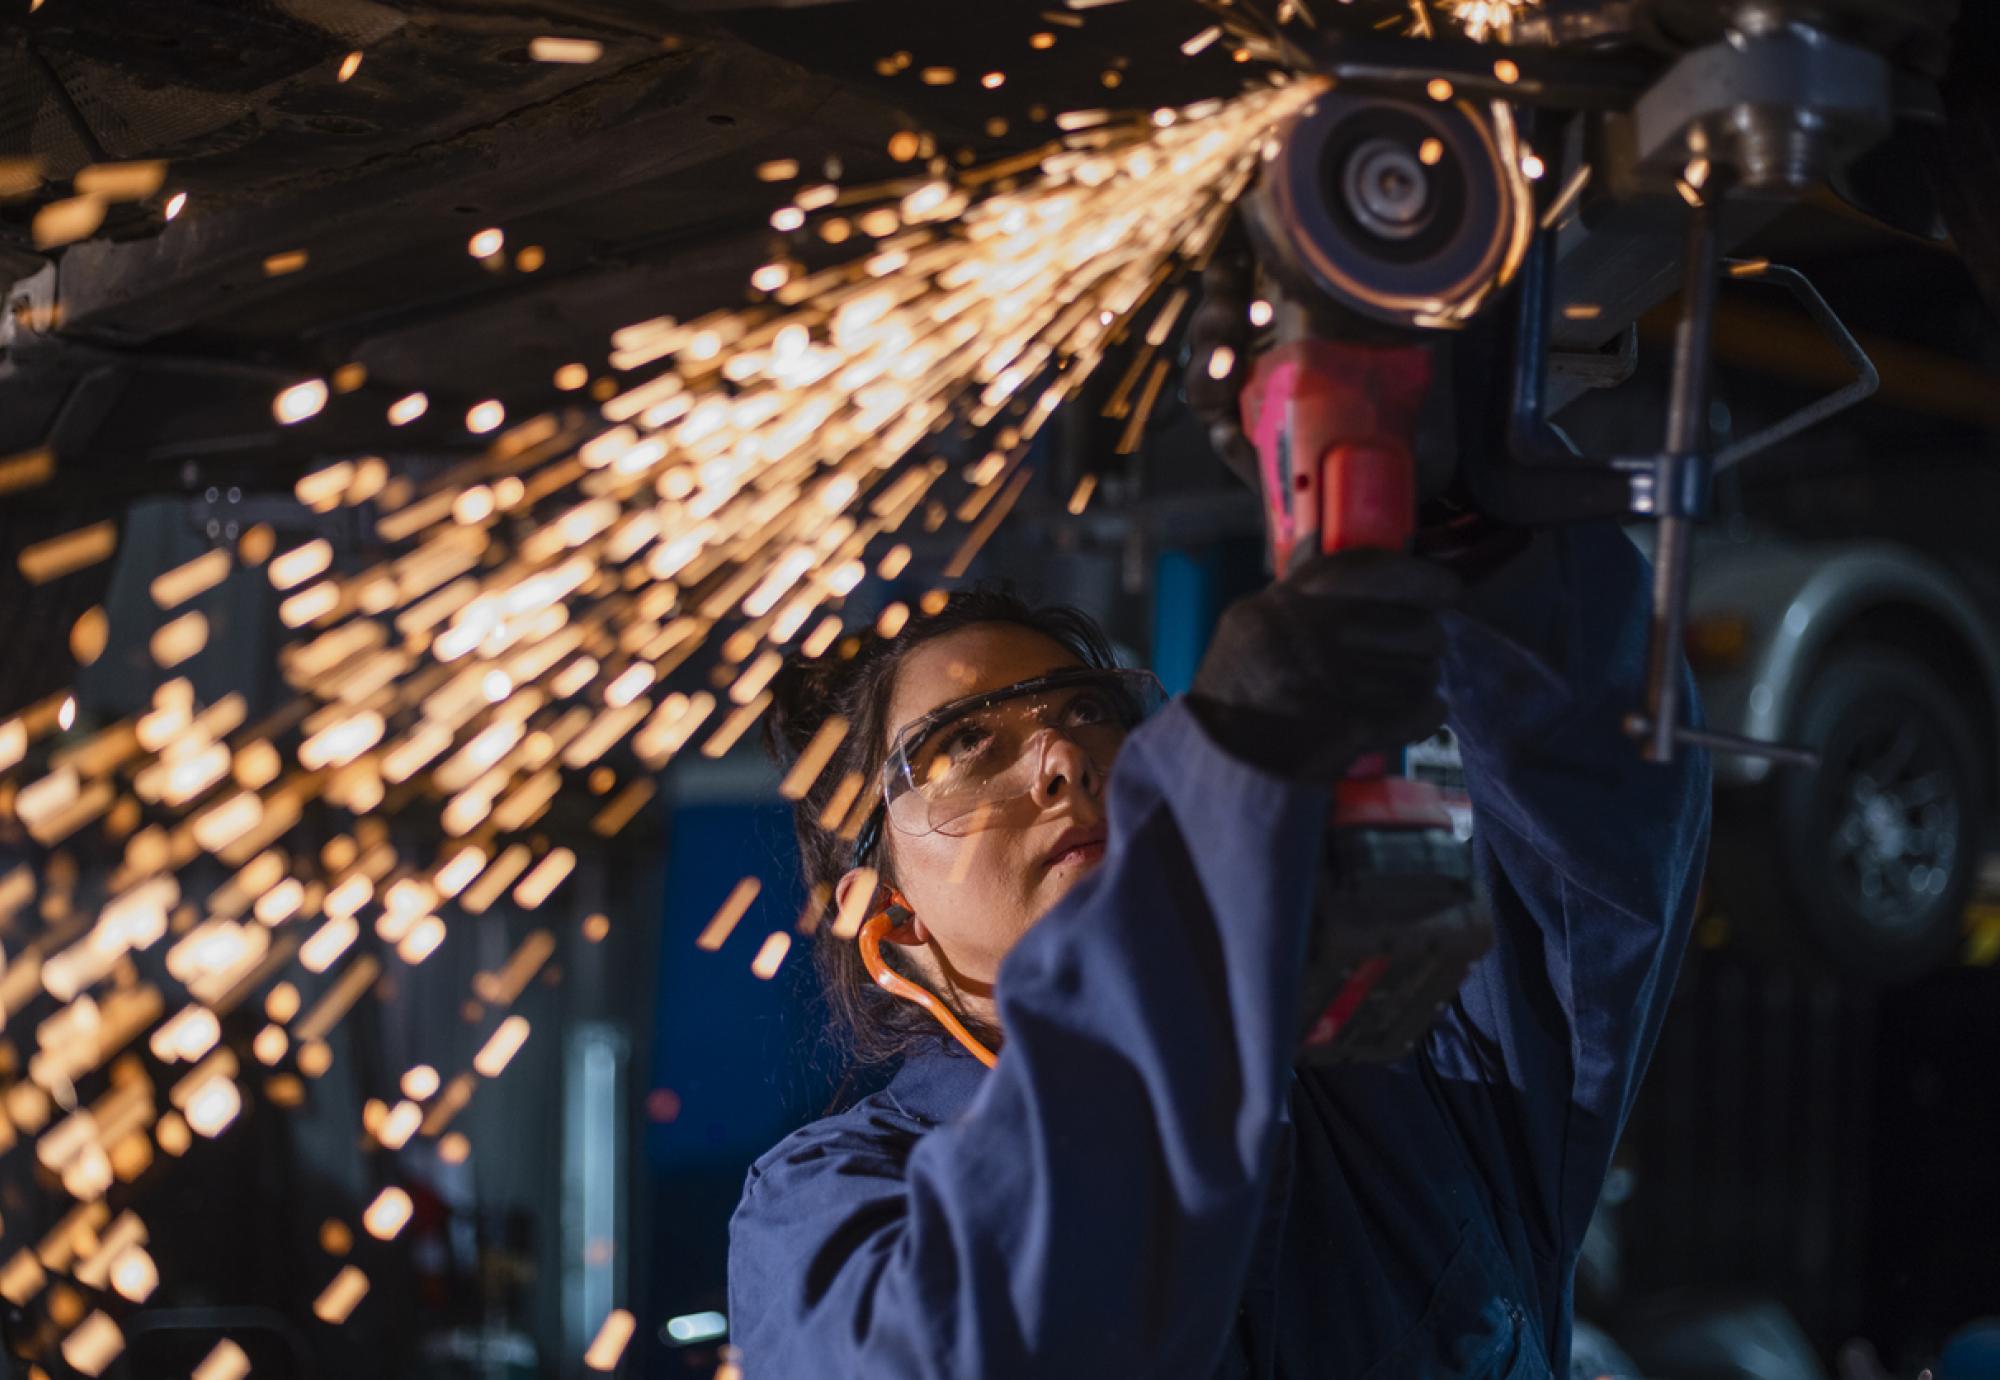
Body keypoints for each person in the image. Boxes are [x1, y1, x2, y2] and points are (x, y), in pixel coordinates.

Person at [725, 493, 1710, 1375]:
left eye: (1086, 709)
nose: (1062, 755)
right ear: (886, 918)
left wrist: (1483, 540)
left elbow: (1602, 821)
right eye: (962, 744)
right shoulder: (827, 1214)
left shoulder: (1401, 1081)